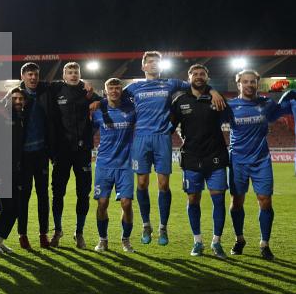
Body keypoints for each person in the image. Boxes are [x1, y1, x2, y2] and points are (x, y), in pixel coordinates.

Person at [120, 51, 225, 245]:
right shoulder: (134, 87)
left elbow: (197, 84)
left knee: (163, 185)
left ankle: (163, 228)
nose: (153, 65)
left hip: (162, 138)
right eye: (149, 62)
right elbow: (114, 95)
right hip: (141, 138)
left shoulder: (171, 83)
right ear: (143, 67)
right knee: (141, 184)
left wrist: (213, 91)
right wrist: (94, 100)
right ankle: (146, 225)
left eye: (157, 62)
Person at [221, 71, 295, 261]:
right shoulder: (229, 107)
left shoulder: (266, 104)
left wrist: (290, 92)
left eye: (252, 81)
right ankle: (239, 239)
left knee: (265, 201)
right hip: (237, 160)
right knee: (237, 202)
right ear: (238, 84)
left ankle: (265, 244)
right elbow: (210, 121)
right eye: (245, 82)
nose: (249, 85)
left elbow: (285, 107)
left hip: (261, 160)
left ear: (257, 83)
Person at [169, 64, 230, 258]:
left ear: (207, 77)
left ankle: (217, 242)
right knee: (193, 199)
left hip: (216, 156)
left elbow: (233, 121)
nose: (198, 76)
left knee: (218, 199)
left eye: (202, 74)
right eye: (194, 74)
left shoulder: (217, 99)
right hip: (192, 157)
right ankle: (197, 242)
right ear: (189, 77)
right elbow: (170, 126)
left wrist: (214, 92)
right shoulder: (179, 99)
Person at [48, 61, 101, 248]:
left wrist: (96, 99)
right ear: (64, 74)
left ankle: (79, 233)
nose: (73, 74)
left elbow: (105, 101)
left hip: (83, 151)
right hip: (61, 151)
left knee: (83, 193)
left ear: (80, 73)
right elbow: (35, 86)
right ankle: (57, 230)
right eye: (69, 71)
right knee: (57, 193)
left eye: (76, 71)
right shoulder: (56, 89)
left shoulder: (87, 91)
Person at [91, 78, 137, 253]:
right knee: (102, 203)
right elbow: (88, 131)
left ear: (121, 91)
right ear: (105, 91)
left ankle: (125, 240)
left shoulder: (131, 110)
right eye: (111, 88)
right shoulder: (98, 111)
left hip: (125, 165)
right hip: (103, 164)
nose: (115, 91)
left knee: (126, 204)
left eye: (118, 88)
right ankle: (103, 240)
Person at [13, 62, 52, 249]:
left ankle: (43, 234)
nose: (33, 78)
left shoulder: (46, 92)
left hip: (41, 153)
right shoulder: (16, 97)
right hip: (24, 157)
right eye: (29, 74)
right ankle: (22, 234)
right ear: (23, 76)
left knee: (43, 196)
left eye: (36, 74)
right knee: (24, 197)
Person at [0, 87, 25, 253]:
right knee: (6, 207)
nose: (17, 101)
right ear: (7, 99)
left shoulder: (20, 117)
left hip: (15, 170)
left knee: (16, 209)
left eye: (20, 99)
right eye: (13, 98)